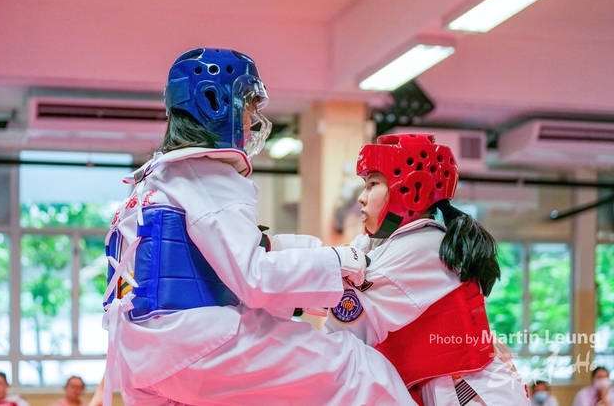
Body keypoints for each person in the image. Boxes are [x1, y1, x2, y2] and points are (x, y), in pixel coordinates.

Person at [101, 47, 416, 406]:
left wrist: (312, 267)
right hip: (195, 346)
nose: (252, 119)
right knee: (360, 368)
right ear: (214, 102)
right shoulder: (207, 173)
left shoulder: (152, 184)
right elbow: (254, 277)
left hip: (139, 356)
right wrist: (338, 262)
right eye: (249, 105)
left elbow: (210, 267)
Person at [322, 133, 530, 406]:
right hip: (454, 389)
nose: (362, 198)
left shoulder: (420, 246)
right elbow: (338, 267)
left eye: (373, 184)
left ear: (414, 188)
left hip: (472, 394)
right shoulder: (399, 242)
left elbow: (345, 321)